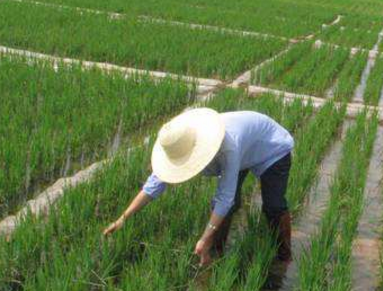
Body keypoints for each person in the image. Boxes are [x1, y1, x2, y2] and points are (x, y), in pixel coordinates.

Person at [103, 108, 293, 265]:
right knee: (228, 206)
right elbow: (153, 185)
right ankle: (217, 254)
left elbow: (224, 198)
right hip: (245, 147)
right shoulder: (181, 143)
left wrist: (204, 238)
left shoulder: (227, 146)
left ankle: (284, 257)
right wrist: (123, 218)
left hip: (270, 147)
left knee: (273, 206)